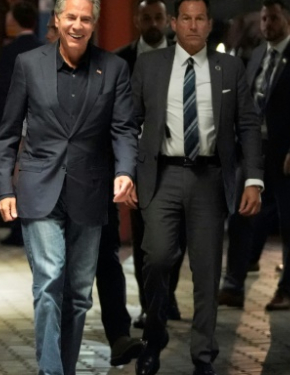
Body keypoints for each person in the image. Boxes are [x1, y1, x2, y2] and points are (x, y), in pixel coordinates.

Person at [0, 0, 139, 372]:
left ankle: (66, 367)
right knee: (48, 281)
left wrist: (125, 171)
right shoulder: (29, 65)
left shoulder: (114, 69)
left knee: (78, 295)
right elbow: (7, 133)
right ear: (56, 20)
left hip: (90, 191)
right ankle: (51, 370)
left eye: (85, 19)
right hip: (39, 189)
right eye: (71, 17)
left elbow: (123, 129)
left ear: (94, 24)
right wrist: (4, 189)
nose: (78, 25)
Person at [130, 1, 263, 374]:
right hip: (162, 177)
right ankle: (153, 339)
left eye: (199, 18)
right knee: (156, 258)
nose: (192, 25)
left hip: (210, 178)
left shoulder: (229, 68)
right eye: (185, 18)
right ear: (174, 23)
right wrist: (127, 172)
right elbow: (129, 122)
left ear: (208, 25)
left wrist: (253, 178)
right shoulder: (150, 66)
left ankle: (203, 356)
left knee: (206, 273)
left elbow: (248, 125)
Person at [219, 0, 290, 311]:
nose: (268, 24)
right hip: (254, 152)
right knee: (241, 216)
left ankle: (288, 289)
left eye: (274, 19)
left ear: (287, 22)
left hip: (285, 154)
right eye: (265, 19)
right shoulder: (256, 54)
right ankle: (233, 285)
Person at [114, 0, 184, 330]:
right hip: (138, 160)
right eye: (147, 17)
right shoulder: (119, 60)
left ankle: (166, 296)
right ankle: (149, 306)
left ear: (168, 21)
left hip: (179, 158)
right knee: (144, 237)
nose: (153, 23)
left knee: (177, 236)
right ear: (136, 20)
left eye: (158, 17)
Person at [0, 1, 42, 248]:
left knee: (15, 174)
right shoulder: (42, 48)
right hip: (38, 121)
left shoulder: (10, 52)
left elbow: (3, 91)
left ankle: (16, 227)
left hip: (14, 120)